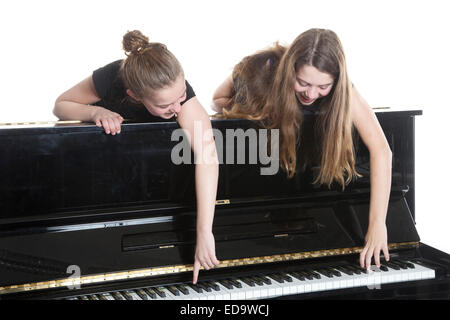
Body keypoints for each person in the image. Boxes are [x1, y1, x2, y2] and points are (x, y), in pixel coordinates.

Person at [213, 28, 392, 271]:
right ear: (291, 70)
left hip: (310, 177)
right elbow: (218, 98)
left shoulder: (342, 88)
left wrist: (377, 224)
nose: (311, 93)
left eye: (323, 86)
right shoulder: (261, 67)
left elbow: (381, 149)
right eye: (303, 83)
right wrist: (251, 115)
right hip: (263, 169)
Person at [54, 30, 220, 284]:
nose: (177, 108)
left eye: (181, 97)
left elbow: (208, 155)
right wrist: (95, 111)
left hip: (155, 178)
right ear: (134, 95)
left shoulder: (180, 95)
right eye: (166, 106)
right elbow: (61, 104)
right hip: (106, 178)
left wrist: (205, 232)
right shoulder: (110, 77)